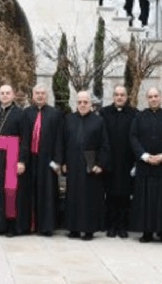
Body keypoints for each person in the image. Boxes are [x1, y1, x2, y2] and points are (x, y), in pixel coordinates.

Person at [130, 87, 162, 244]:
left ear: (161, 98)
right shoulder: (139, 117)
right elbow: (133, 137)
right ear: (147, 99)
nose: (153, 99)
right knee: (146, 201)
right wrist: (144, 156)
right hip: (145, 166)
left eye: (156, 96)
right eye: (150, 96)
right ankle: (147, 232)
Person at [62, 90, 110, 240]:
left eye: (85, 102)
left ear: (91, 104)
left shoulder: (98, 121)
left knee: (89, 198)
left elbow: (104, 145)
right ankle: (73, 229)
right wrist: (63, 161)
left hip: (90, 163)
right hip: (73, 162)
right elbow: (63, 142)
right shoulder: (69, 119)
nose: (82, 105)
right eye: (80, 102)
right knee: (73, 196)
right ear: (76, 103)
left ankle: (88, 230)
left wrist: (100, 164)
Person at [0, 83, 29, 237]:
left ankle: (12, 226)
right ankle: (0, 224)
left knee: (10, 192)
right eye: (2, 93)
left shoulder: (20, 113)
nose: (4, 95)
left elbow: (25, 139)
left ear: (13, 95)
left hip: (12, 155)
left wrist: (22, 161)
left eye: (7, 93)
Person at [24, 84, 63, 236]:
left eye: (43, 93)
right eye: (37, 93)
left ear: (47, 96)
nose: (40, 96)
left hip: (48, 160)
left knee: (47, 193)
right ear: (33, 95)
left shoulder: (55, 114)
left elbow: (60, 138)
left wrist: (58, 160)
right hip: (30, 159)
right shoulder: (26, 113)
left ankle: (46, 226)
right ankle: (30, 225)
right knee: (29, 192)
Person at [99, 85, 137, 238]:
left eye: (122, 94)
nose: (119, 97)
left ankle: (122, 226)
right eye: (117, 94)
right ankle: (111, 226)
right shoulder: (104, 113)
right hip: (109, 161)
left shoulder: (134, 114)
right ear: (113, 97)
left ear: (126, 97)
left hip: (127, 161)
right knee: (110, 195)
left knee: (125, 195)